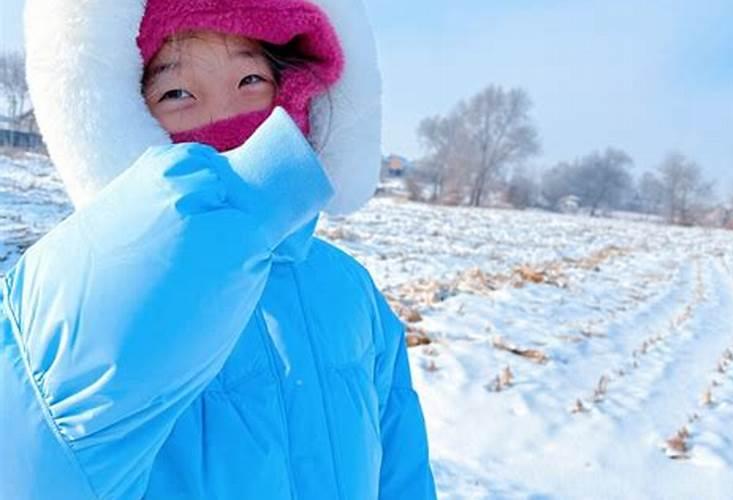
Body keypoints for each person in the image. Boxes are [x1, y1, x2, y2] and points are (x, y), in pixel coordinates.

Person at [1, 0, 437, 499]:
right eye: (177, 92)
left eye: (250, 82)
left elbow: (401, 466)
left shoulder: (348, 286)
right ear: (122, 118)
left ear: (292, 96)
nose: (225, 117)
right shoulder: (88, 300)